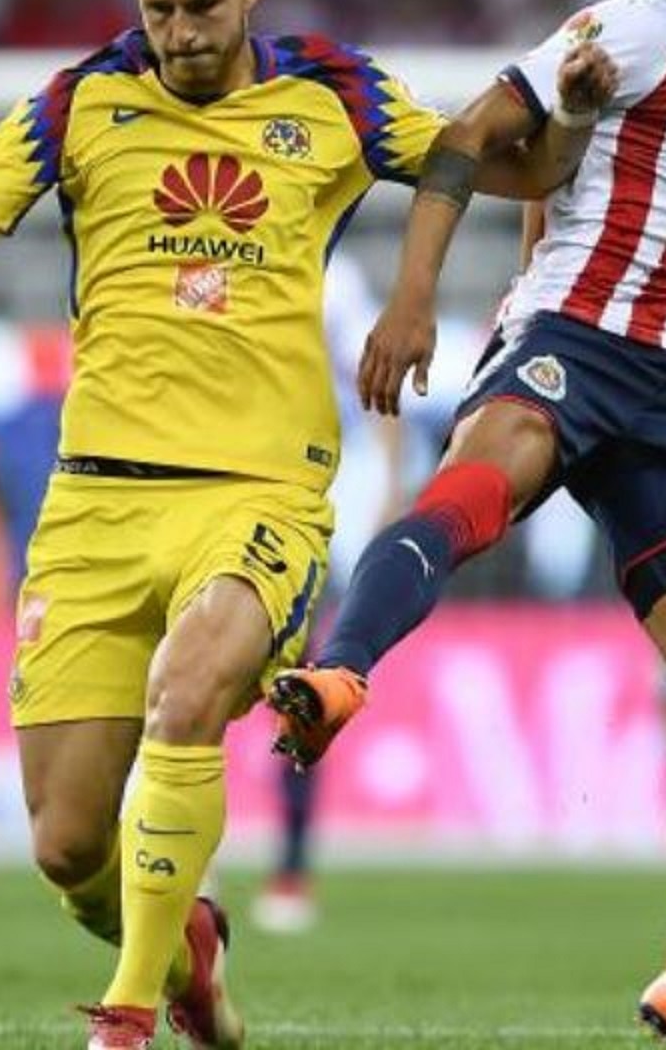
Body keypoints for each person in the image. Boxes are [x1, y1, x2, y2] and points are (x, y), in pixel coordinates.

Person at [0, 0, 614, 1049]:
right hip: (94, 507)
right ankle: (186, 953)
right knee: (70, 848)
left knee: (187, 697)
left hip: (258, 496)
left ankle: (127, 1018)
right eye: (156, 9)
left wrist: (571, 126)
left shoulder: (332, 91)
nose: (178, 33)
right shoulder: (81, 102)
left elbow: (504, 172)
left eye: (197, 6)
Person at [268, 0, 666, 1046]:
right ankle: (342, 671)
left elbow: (562, 163)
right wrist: (415, 301)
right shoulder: (651, 18)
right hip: (576, 335)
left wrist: (573, 130)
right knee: (474, 491)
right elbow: (472, 134)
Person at [251, 250, 409, 937]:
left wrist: (395, 481)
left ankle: (290, 865)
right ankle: (184, 848)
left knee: (299, 683)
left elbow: (377, 381)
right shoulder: (236, 248)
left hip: (318, 488)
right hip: (238, 481)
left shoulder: (333, 278)